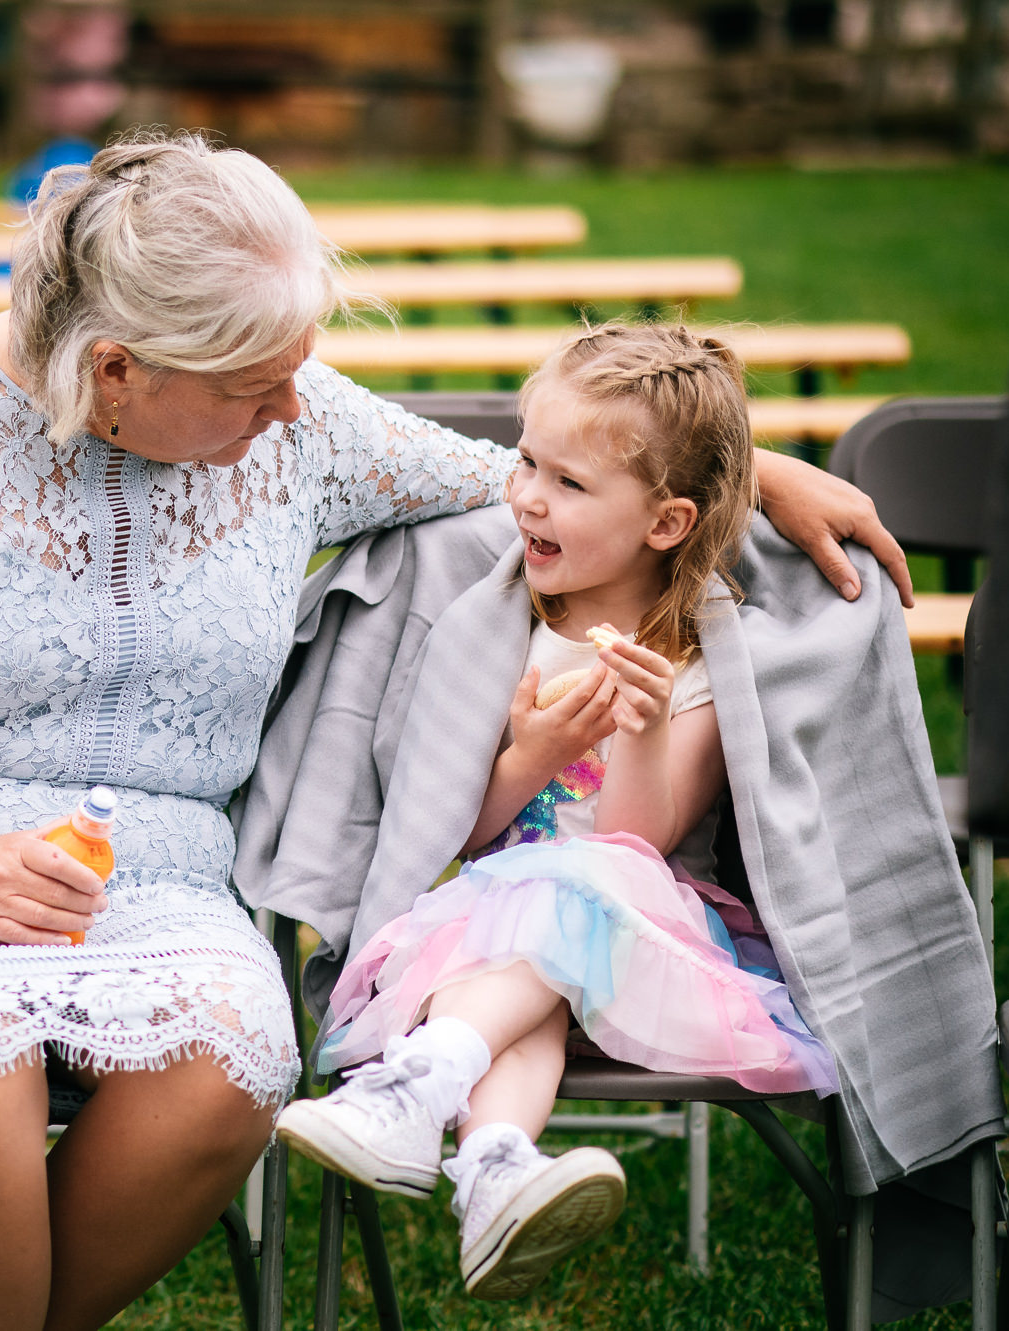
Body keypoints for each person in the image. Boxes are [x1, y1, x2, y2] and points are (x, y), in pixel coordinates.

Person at [0, 131, 910, 1331]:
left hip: (148, 884)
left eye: (299, 366)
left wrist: (756, 474)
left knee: (232, 1060)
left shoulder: (301, 429)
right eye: (251, 385)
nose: (293, 406)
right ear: (114, 370)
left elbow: (537, 482)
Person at [275, 323, 841, 1303]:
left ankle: (414, 1086)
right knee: (518, 991)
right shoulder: (504, 630)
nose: (526, 494)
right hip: (499, 960)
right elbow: (460, 832)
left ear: (663, 523)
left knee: (569, 892)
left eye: (568, 484)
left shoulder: (701, 663)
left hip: (639, 951)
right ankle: (494, 1169)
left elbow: (632, 848)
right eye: (527, 459)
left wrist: (645, 726)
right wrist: (530, 752)